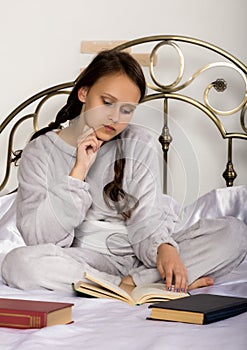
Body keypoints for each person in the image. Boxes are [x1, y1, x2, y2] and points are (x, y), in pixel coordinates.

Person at [2, 50, 247, 293]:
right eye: (107, 102)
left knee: (235, 233)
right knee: (17, 264)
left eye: (127, 110)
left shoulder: (138, 143)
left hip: (144, 256)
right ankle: (130, 287)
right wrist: (78, 173)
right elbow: (42, 242)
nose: (115, 118)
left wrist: (164, 248)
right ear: (84, 93)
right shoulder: (40, 151)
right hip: (84, 261)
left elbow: (147, 219)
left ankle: (128, 285)